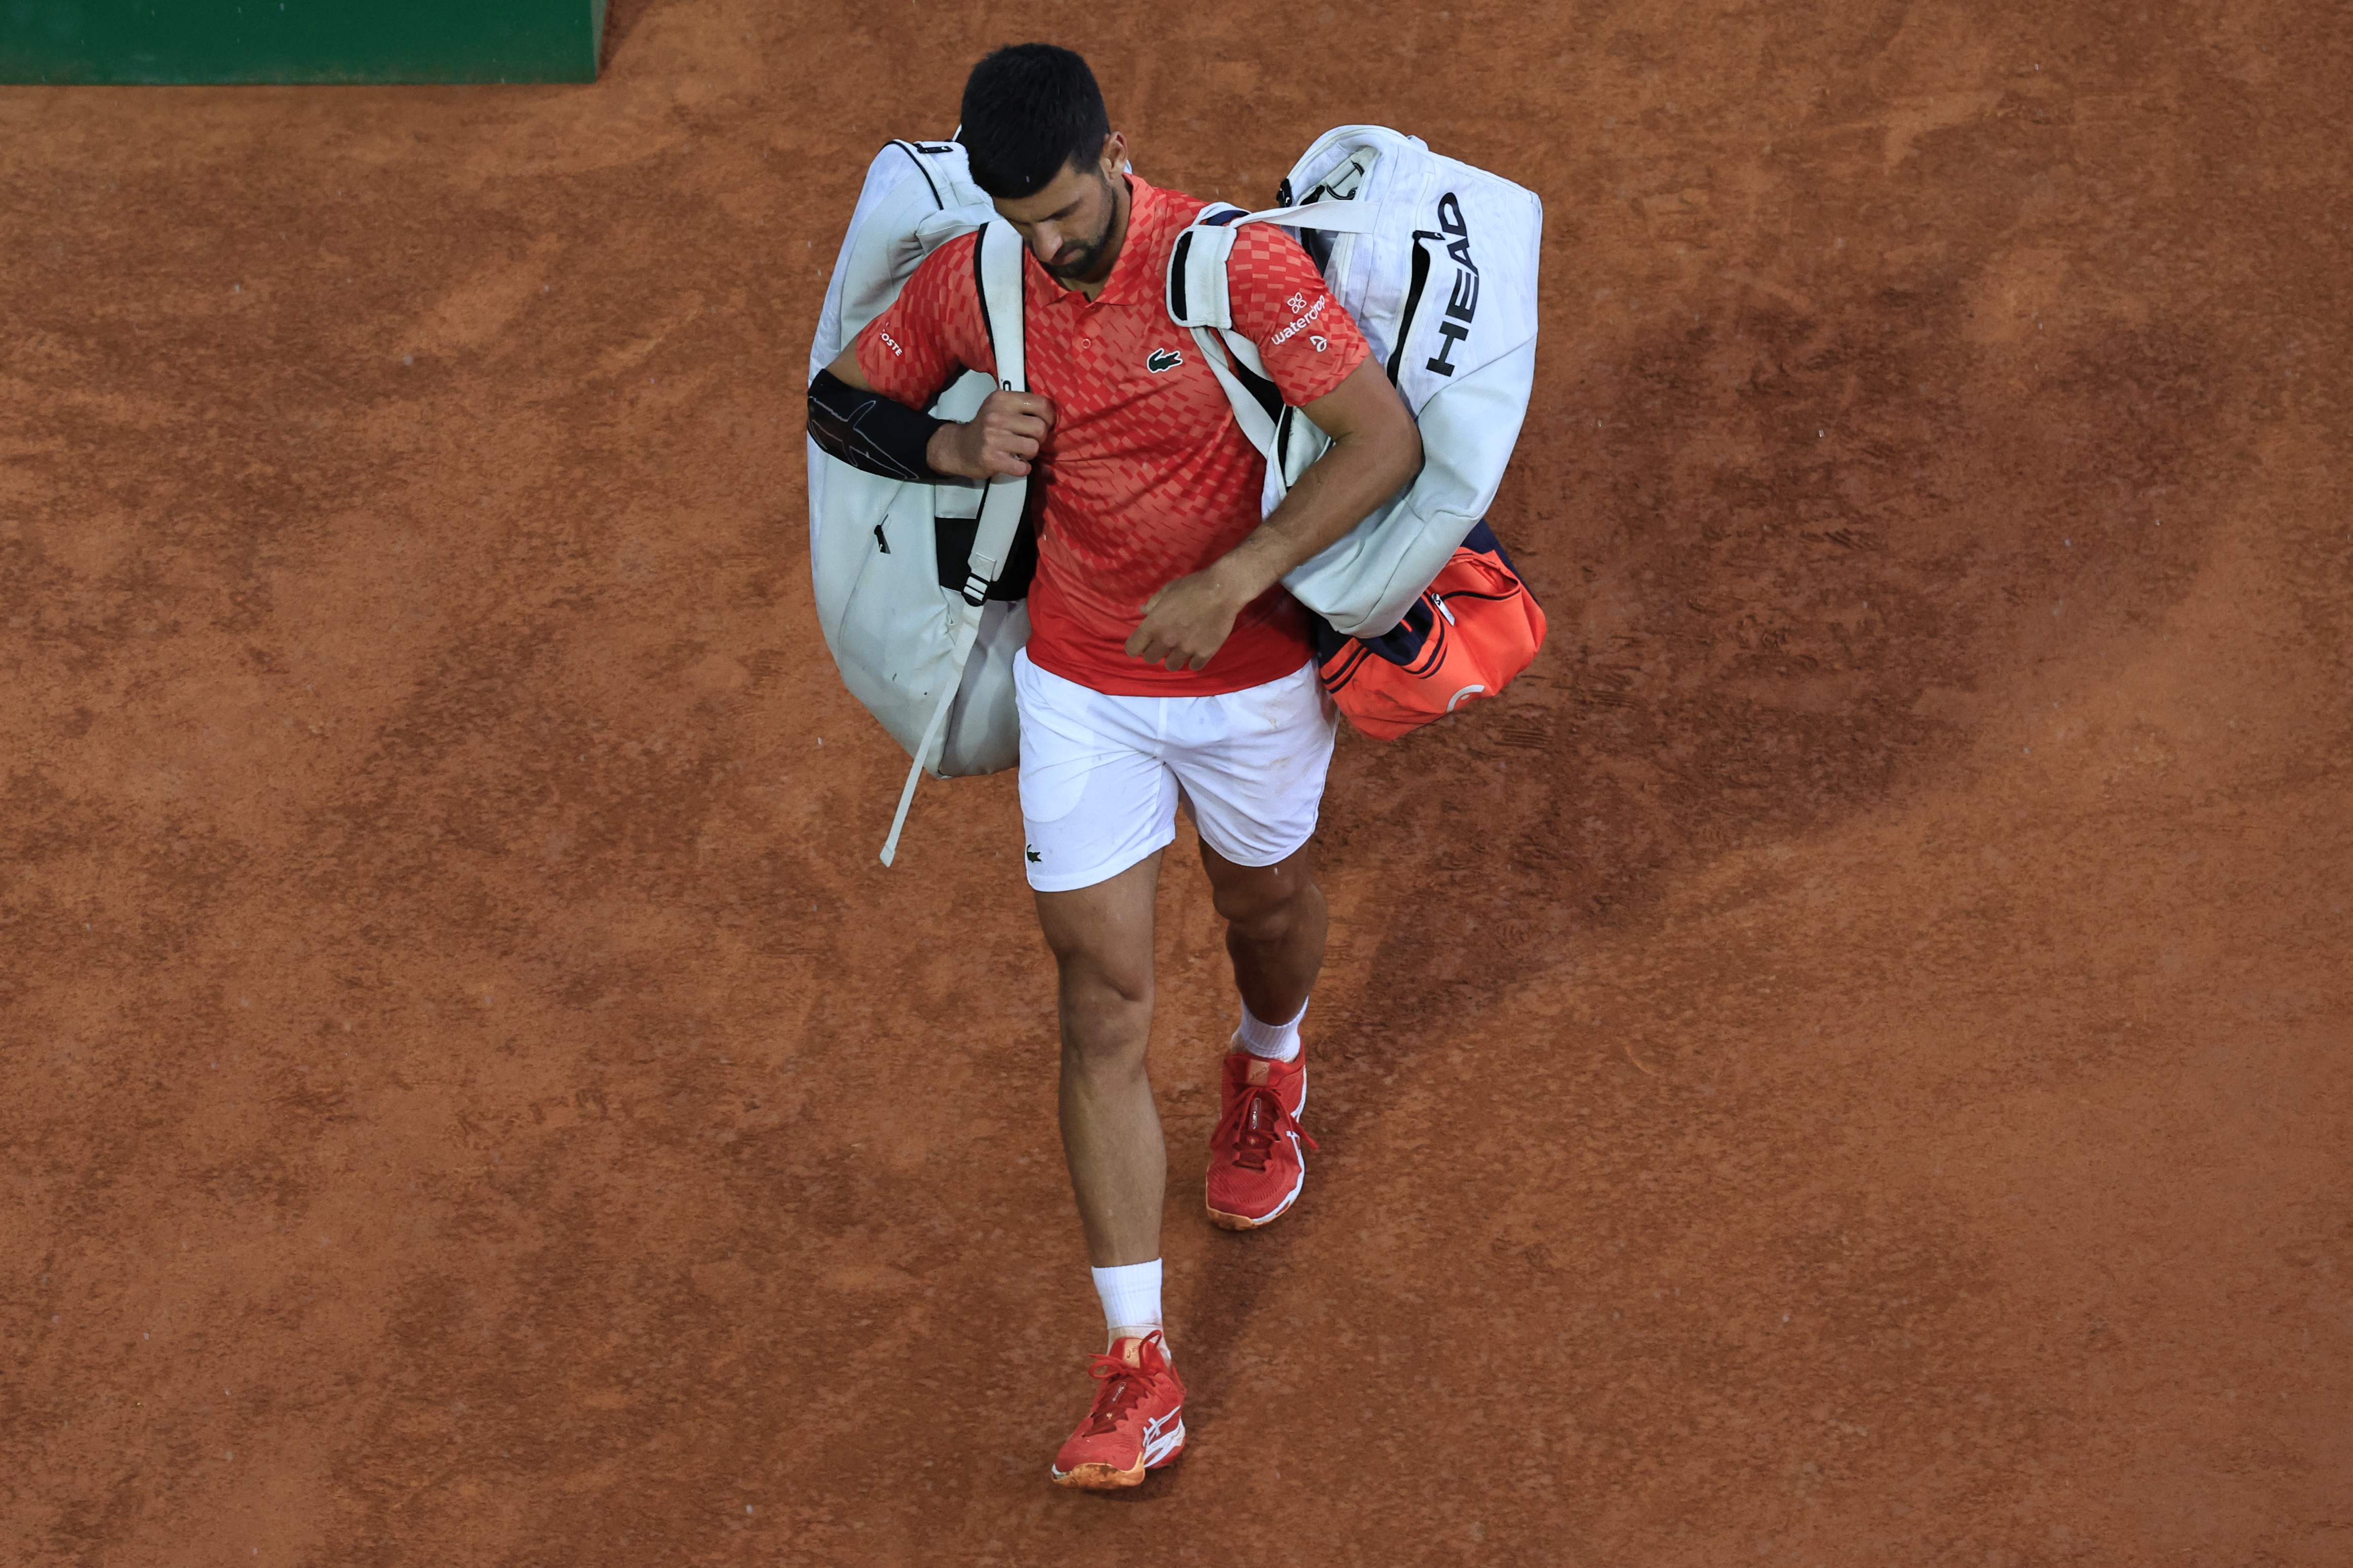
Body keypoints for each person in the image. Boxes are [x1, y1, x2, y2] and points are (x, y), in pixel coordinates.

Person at [805, 43, 1421, 1490]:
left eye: (1066, 215)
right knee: (1100, 1000)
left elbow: (1378, 441)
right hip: (1081, 682)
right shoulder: (982, 278)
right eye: (1017, 220)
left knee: (1264, 909)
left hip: (1252, 675)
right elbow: (839, 402)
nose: (1047, 249)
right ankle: (1136, 1364)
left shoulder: (1239, 270)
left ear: (1118, 156)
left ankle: (1270, 1062)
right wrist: (953, 448)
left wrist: (1244, 572)